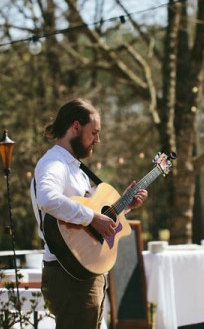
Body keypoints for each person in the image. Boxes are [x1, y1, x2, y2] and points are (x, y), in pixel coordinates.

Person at [30, 98, 148, 328]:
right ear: (75, 127)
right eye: (94, 132)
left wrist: (125, 206)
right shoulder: (54, 163)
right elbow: (48, 198)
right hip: (69, 275)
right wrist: (93, 218)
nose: (98, 140)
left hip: (82, 272)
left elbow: (90, 217)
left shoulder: (76, 168)